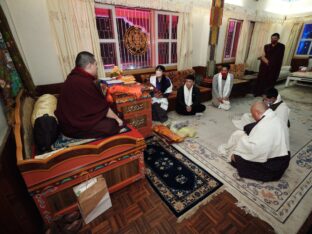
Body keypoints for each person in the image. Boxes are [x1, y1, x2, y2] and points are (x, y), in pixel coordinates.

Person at [55, 51, 123, 139]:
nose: (97, 67)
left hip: (73, 120)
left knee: (115, 113)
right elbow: (101, 108)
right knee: (112, 125)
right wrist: (118, 120)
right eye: (95, 64)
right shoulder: (84, 82)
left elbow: (92, 106)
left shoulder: (72, 77)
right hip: (74, 127)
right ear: (89, 65)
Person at [222, 102, 290, 182]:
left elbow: (256, 151)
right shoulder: (276, 118)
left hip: (273, 169)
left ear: (257, 113)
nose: (253, 117)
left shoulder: (264, 125)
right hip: (284, 160)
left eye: (253, 114)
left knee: (234, 158)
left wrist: (242, 140)